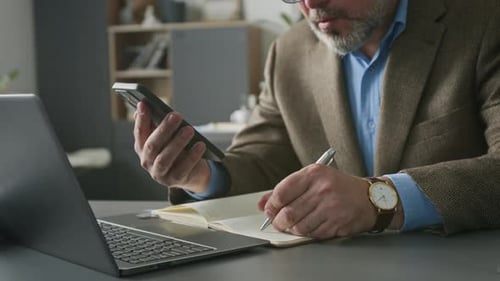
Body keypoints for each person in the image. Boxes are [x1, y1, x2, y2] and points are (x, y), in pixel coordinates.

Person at [133, 0, 500, 239]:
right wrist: (202, 174)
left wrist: (377, 201)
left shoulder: (485, 23)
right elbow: (262, 156)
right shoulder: (289, 52)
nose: (311, 5)